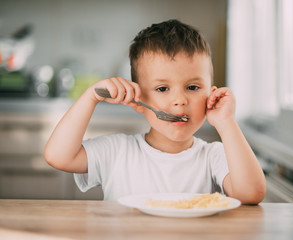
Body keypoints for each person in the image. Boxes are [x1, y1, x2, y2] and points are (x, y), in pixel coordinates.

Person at [44, 19, 266, 204]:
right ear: (138, 99)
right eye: (162, 88)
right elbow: (57, 156)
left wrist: (226, 122)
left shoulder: (214, 156)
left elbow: (251, 193)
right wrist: (90, 96)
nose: (179, 100)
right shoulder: (117, 152)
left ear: (211, 95)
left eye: (193, 87)